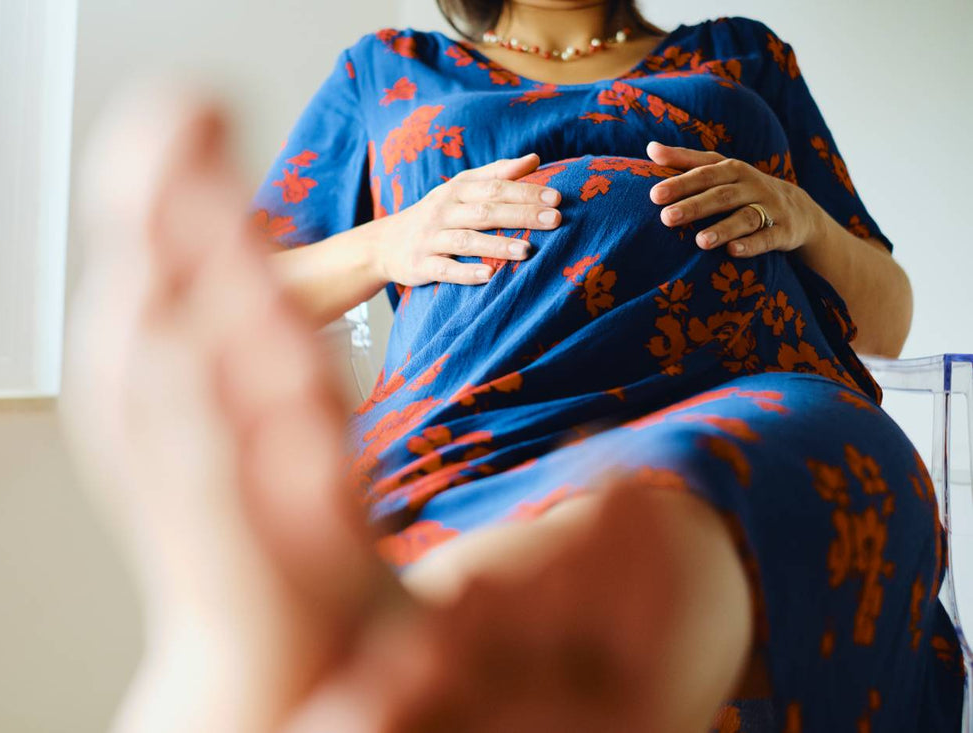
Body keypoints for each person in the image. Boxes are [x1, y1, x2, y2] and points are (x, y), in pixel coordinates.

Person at [61, 1, 966, 731]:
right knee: (639, 509)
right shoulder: (387, 66)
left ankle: (358, 659)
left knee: (737, 468)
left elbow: (886, 320)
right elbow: (244, 291)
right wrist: (390, 239)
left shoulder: (745, 55)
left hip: (746, 390)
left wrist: (803, 217)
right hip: (469, 409)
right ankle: (351, 654)